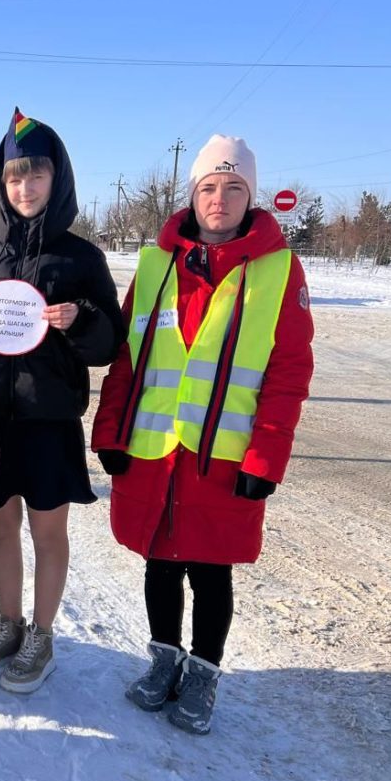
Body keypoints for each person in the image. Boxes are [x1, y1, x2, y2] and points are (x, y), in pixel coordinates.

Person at [91, 135, 314, 735]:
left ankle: (204, 674)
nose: (220, 199)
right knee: (159, 563)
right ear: (193, 194)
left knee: (211, 570)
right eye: (209, 187)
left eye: (234, 187)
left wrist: (266, 457)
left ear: (251, 195)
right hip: (155, 451)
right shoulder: (155, 263)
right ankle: (164, 660)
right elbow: (128, 357)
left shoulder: (278, 270)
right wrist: (110, 429)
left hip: (224, 457)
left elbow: (289, 372)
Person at [0, 109, 125, 693]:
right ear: (2, 182)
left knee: (47, 531)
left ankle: (42, 635)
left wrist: (80, 319)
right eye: (15, 177)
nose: (25, 187)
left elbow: (111, 340)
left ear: (57, 178)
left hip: (48, 419)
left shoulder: (80, 257)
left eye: (36, 175)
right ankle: (9, 623)